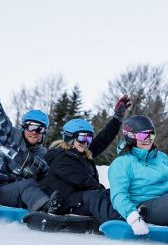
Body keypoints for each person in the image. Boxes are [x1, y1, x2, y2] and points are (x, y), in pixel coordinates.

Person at [39, 95, 131, 224]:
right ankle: (120, 219)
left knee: (113, 193)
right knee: (98, 196)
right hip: (65, 202)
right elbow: (84, 180)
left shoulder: (81, 152)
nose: (86, 143)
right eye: (82, 138)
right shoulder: (60, 158)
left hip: (80, 198)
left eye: (89, 139)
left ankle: (133, 211)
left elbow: (103, 140)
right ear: (70, 138)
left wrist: (117, 118)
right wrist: (104, 192)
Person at [0, 69, 62, 213]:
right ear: (24, 126)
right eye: (31, 126)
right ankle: (45, 208)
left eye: (40, 129)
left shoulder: (43, 156)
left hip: (22, 195)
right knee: (27, 184)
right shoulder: (10, 137)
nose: (34, 132)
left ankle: (55, 206)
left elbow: (50, 178)